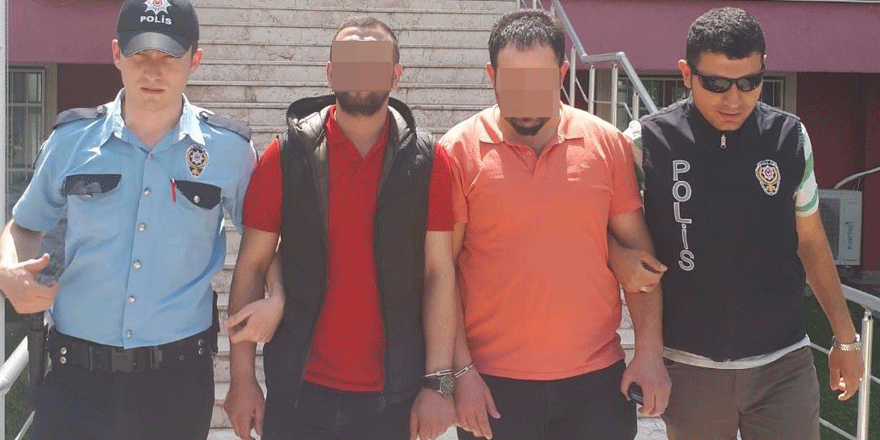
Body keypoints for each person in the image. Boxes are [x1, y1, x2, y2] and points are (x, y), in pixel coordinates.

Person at [0, 1, 257, 439]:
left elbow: (263, 243)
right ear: (117, 54)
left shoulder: (229, 151)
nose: (153, 70)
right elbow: (24, 225)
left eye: (168, 56)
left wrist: (274, 306)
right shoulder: (71, 141)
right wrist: (8, 271)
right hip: (76, 379)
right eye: (140, 54)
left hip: (176, 383)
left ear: (194, 59)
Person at [621, 7, 864, 440]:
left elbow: (811, 242)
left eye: (750, 82)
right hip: (691, 367)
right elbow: (604, 229)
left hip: (783, 367)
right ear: (686, 74)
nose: (734, 100)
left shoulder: (790, 138)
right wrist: (616, 260)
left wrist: (845, 339)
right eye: (716, 84)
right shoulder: (645, 143)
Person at [222, 16, 457, 440]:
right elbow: (252, 265)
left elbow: (439, 273)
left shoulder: (430, 161)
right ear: (330, 72)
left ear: (396, 75)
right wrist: (242, 378)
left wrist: (437, 383)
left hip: (393, 398)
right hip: (299, 394)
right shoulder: (285, 155)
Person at [441, 9, 670, 440]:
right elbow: (441, 272)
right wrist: (461, 372)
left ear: (563, 73)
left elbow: (641, 264)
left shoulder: (606, 144)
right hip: (493, 387)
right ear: (491, 75)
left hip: (596, 387)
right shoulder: (456, 152)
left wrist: (649, 354)